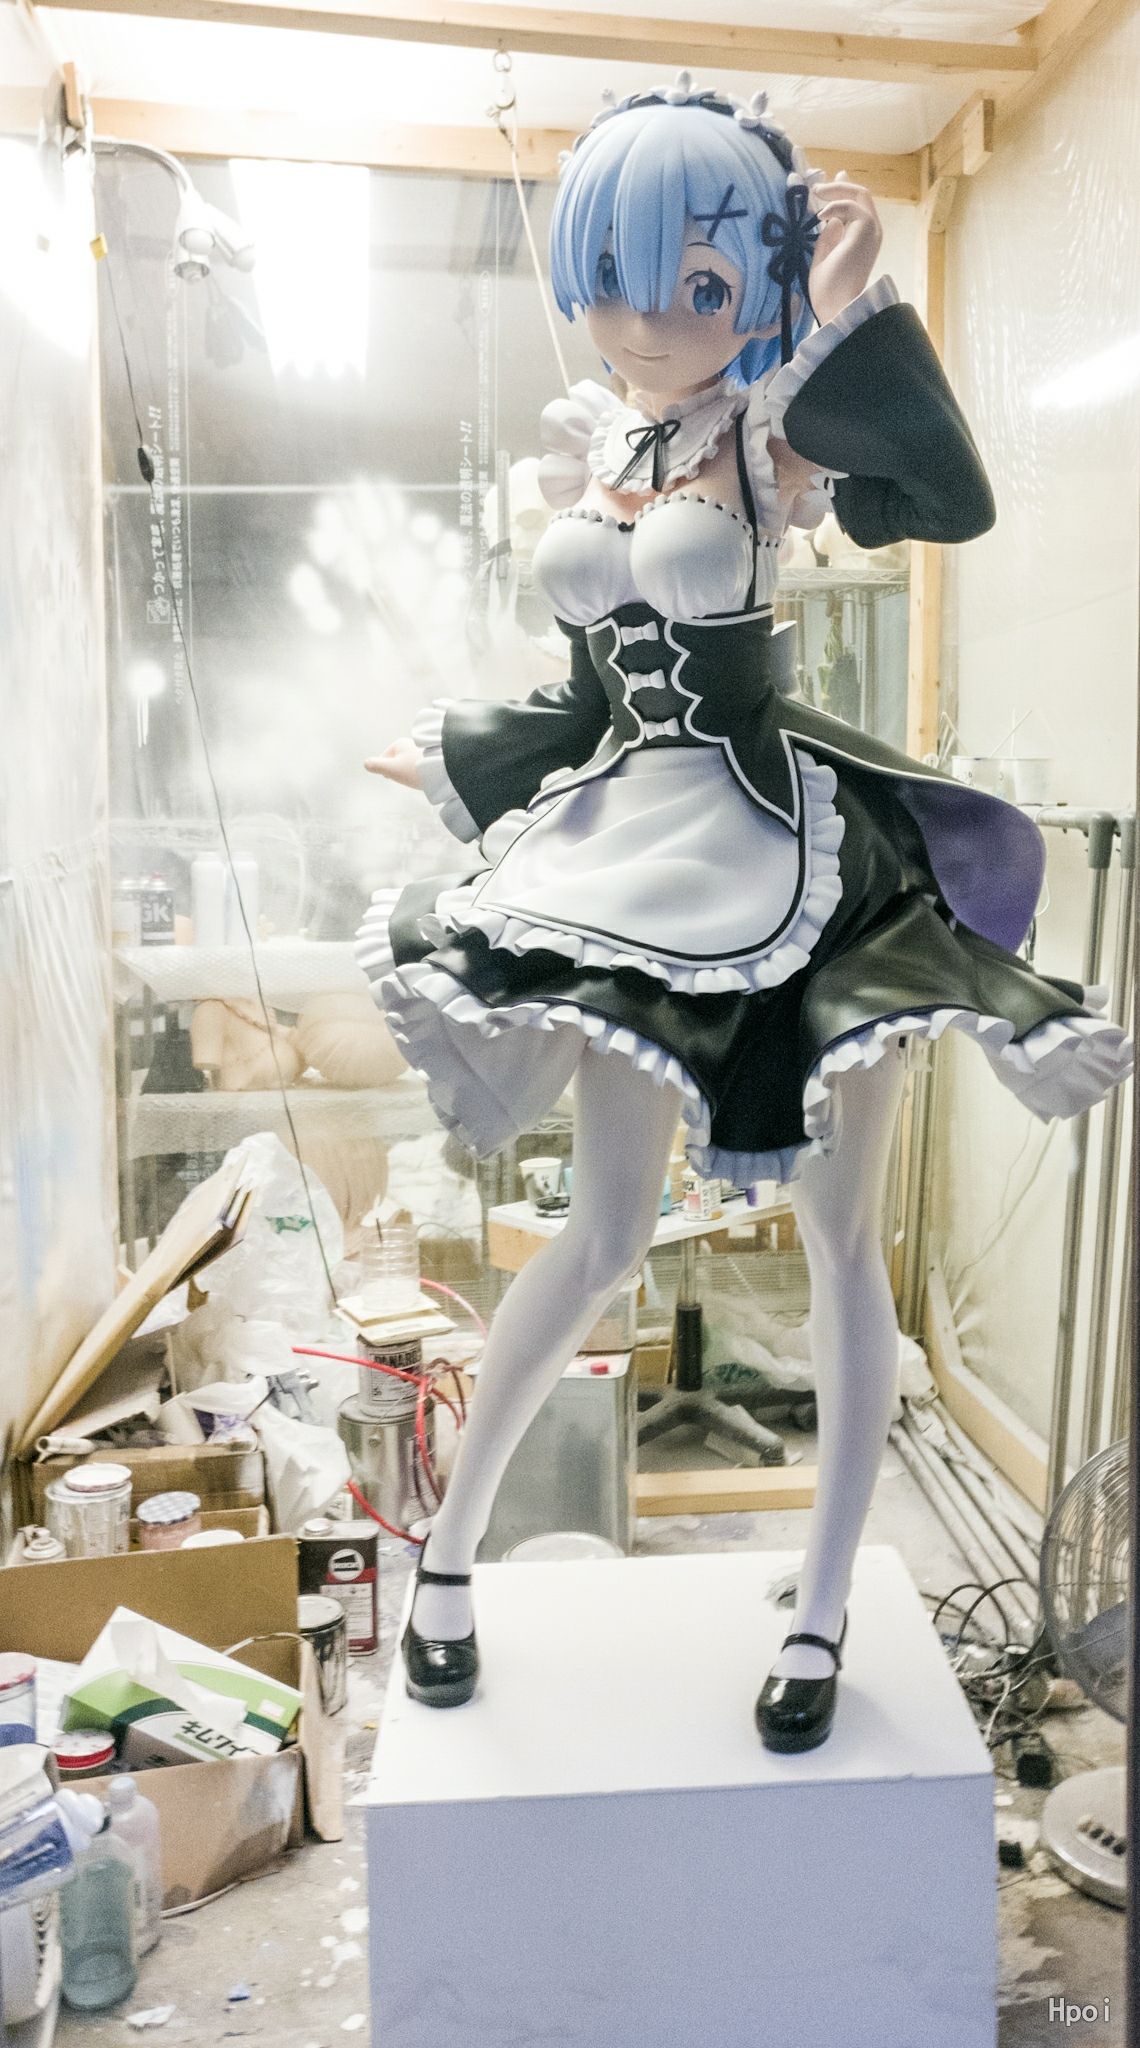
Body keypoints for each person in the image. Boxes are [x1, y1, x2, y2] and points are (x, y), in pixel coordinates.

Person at [357, 76, 1131, 1751]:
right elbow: (595, 692)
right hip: (628, 853)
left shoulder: (770, 433)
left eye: (701, 284)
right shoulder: (612, 441)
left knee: (839, 1240)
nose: (651, 320)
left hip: (785, 859)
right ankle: (449, 1561)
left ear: (757, 287)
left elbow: (946, 500)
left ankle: (824, 1604)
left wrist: (853, 311)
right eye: (620, 278)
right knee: (601, 1235)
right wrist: (462, 756)